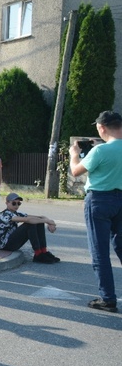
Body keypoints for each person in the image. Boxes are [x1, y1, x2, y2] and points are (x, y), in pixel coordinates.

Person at [69, 110, 122, 313]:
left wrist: (74, 154)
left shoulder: (99, 151)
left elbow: (76, 171)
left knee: (100, 251)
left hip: (99, 199)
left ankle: (108, 298)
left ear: (101, 128)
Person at [0, 193, 60, 264]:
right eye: (14, 203)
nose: (16, 205)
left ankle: (43, 251)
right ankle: (38, 254)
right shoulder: (5, 215)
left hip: (11, 243)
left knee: (38, 221)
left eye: (18, 203)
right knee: (30, 224)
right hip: (5, 245)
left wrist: (50, 222)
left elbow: (40, 217)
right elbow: (28, 220)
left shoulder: (16, 213)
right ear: (7, 203)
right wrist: (48, 222)